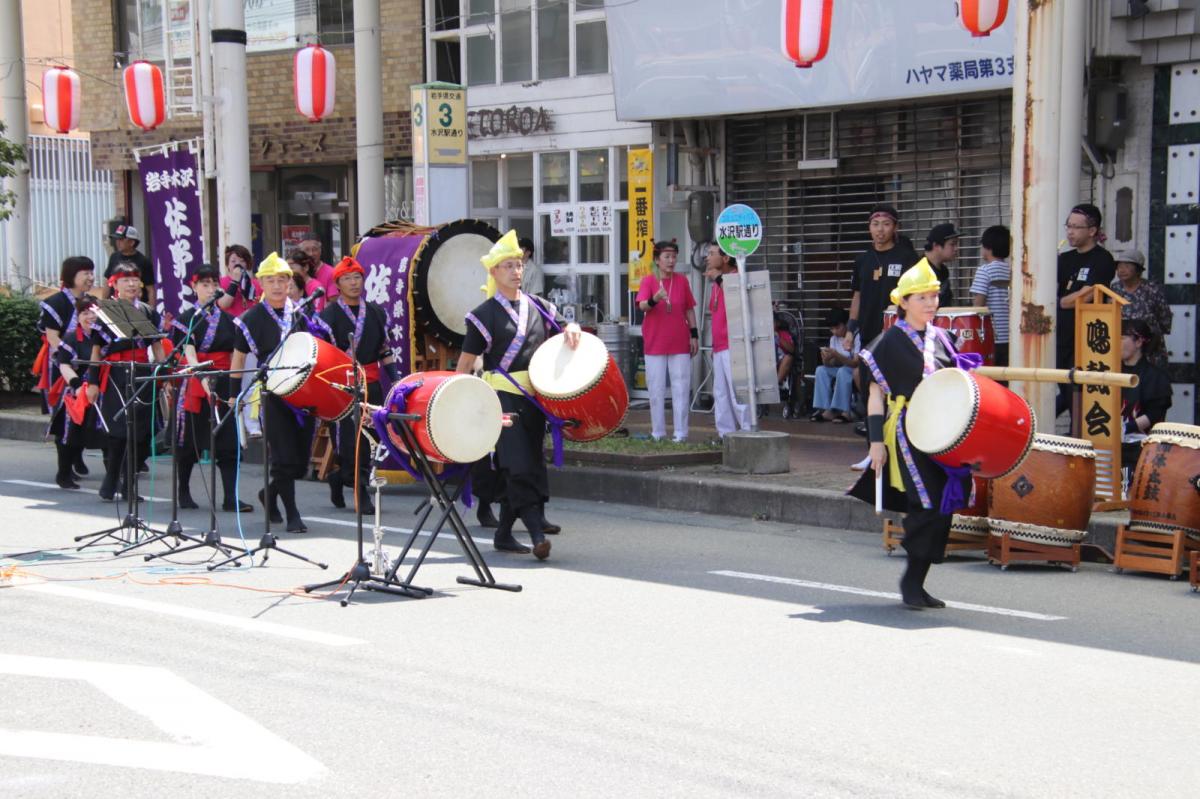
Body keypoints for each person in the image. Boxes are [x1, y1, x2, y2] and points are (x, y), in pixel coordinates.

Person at [849, 260, 972, 609]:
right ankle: (911, 580)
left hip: (943, 431)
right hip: (906, 430)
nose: (931, 303)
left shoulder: (944, 338)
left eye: (934, 296)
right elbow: (875, 395)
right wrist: (875, 443)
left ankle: (917, 579)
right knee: (927, 501)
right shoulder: (888, 340)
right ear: (903, 301)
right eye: (922, 297)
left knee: (945, 504)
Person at [458, 230, 582, 559]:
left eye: (519, 265)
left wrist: (572, 327)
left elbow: (564, 327)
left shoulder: (538, 306)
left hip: (534, 399)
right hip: (502, 400)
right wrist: (463, 400)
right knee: (517, 465)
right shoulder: (483, 315)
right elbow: (465, 365)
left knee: (529, 462)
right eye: (508, 266)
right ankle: (536, 532)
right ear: (494, 272)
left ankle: (503, 534)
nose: (516, 271)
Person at [230, 253, 317, 534]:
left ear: (290, 283)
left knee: (301, 460)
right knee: (282, 456)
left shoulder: (300, 314)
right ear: (261, 285)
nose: (278, 286)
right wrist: (234, 395)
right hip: (272, 393)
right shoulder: (251, 318)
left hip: (303, 392)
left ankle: (270, 493)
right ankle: (293, 514)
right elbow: (239, 359)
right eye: (271, 281)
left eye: (282, 280)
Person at [319, 256, 399, 514]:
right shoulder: (328, 316)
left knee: (371, 436)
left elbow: (385, 350)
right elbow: (322, 354)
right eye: (347, 279)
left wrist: (395, 378)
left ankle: (342, 478)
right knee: (348, 440)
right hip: (342, 385)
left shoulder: (376, 312)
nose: (354, 283)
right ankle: (358, 488)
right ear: (338, 284)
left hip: (372, 382)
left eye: (357, 278)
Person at [171, 266, 252, 513]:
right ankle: (183, 490)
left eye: (213, 284)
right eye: (203, 284)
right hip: (195, 384)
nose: (209, 289)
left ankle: (230, 497)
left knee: (229, 443)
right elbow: (189, 354)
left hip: (224, 382)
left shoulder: (230, 321)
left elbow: (237, 356)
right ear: (194, 288)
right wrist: (203, 378)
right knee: (189, 443)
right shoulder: (186, 320)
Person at [85, 263, 167, 501]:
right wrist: (92, 381)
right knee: (120, 430)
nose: (131, 284)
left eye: (135, 279)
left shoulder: (148, 311)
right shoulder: (104, 311)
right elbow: (96, 351)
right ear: (114, 284)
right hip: (116, 375)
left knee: (143, 433)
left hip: (143, 373)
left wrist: (164, 374)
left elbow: (157, 346)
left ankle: (124, 481)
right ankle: (114, 480)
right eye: (125, 280)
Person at [1057, 203, 1117, 419]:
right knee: (1064, 388)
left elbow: (1086, 296)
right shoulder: (1064, 259)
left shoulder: (1102, 259)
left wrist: (1063, 300)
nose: (1070, 231)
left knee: (1081, 397)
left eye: (1076, 227)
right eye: (1068, 226)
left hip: (1087, 339)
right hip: (1061, 336)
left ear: (1092, 231)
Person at [636, 241, 699, 441]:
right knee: (656, 389)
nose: (671, 261)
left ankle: (681, 433)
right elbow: (643, 306)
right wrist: (655, 298)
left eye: (674, 256)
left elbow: (689, 309)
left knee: (681, 387)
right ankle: (658, 432)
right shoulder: (648, 281)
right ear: (657, 260)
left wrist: (694, 334)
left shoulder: (682, 281)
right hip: (655, 341)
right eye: (667, 257)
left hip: (679, 340)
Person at [46, 296, 105, 489]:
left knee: (109, 437)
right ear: (78, 316)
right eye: (84, 312)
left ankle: (115, 479)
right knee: (69, 436)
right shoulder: (72, 338)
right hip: (77, 392)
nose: (90, 317)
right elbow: (64, 365)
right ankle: (63, 473)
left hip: (104, 392)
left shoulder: (107, 336)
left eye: (93, 312)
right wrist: (78, 385)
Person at [844, 204, 918, 356]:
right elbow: (857, 296)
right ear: (869, 227)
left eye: (886, 224)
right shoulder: (862, 260)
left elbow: (916, 295)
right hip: (868, 333)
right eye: (875, 224)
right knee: (866, 377)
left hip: (899, 333)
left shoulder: (908, 258)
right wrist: (850, 330)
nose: (880, 229)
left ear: (895, 227)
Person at [35, 256, 96, 423]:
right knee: (64, 410)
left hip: (88, 363)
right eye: (86, 273)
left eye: (92, 273)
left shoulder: (89, 302)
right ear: (71, 275)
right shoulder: (55, 302)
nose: (91, 277)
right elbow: (52, 337)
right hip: (63, 363)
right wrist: (70, 358)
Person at [704, 243, 751, 437]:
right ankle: (725, 435)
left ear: (725, 258)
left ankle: (748, 433)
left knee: (737, 392)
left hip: (734, 344)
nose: (707, 257)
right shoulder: (717, 281)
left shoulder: (735, 277)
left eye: (712, 253)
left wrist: (718, 278)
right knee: (721, 394)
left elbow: (738, 297)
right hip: (719, 345)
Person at [1110, 249, 1172, 367]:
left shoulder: (1152, 289)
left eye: (1127, 266)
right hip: (1123, 350)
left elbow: (1165, 318)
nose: (1122, 270)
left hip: (1151, 349)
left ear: (1138, 269)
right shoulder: (1114, 289)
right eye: (1119, 266)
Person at [969, 224, 1012, 367]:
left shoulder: (984, 271)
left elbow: (978, 305)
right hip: (1011, 337)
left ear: (988, 248)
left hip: (992, 336)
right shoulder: (1012, 271)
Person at [1120, 319, 1171, 435]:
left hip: (1141, 443)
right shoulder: (1110, 371)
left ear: (1138, 342)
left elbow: (1154, 413)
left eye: (1121, 338)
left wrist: (1125, 429)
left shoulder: (1155, 376)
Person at [810, 309, 859, 423]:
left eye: (837, 328)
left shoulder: (856, 336)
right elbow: (832, 364)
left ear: (846, 324)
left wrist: (836, 355)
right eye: (832, 329)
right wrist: (826, 360)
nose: (835, 332)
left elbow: (855, 363)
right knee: (821, 370)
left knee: (843, 371)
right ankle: (824, 408)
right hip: (840, 369)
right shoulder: (834, 339)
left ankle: (842, 410)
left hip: (853, 370)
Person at [103, 224, 156, 307]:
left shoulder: (143, 261)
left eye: (121, 240)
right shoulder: (114, 257)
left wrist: (152, 310)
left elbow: (150, 289)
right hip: (116, 305)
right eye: (116, 240)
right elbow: (107, 281)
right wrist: (104, 304)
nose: (117, 243)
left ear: (132, 242)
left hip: (137, 306)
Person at [914, 223, 960, 308]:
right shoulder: (918, 271)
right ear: (936, 245)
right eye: (952, 244)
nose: (956, 248)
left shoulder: (943, 271)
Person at [218, 244, 260, 317]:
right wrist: (235, 281)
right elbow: (224, 305)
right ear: (227, 264)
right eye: (233, 261)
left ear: (247, 264)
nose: (238, 264)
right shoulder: (220, 282)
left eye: (242, 261)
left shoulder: (256, 284)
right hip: (230, 325)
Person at [287, 248, 326, 313]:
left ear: (305, 267)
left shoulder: (316, 287)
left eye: (291, 268)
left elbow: (317, 312)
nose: (289, 272)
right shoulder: (287, 283)